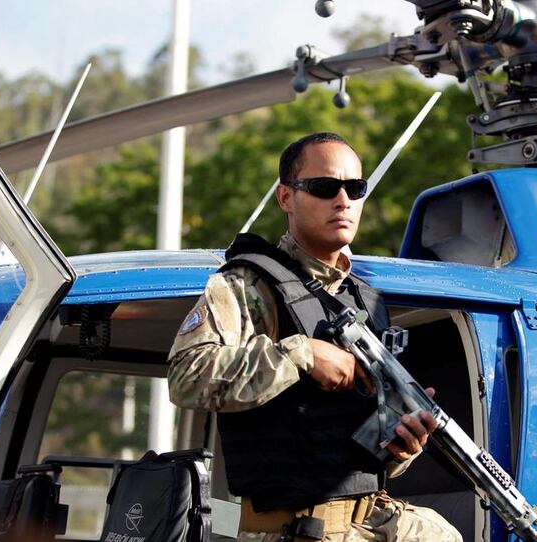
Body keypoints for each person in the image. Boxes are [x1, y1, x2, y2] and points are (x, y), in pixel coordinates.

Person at [168, 132, 462, 542]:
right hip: (295, 530)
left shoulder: (367, 300)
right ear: (286, 198)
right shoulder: (248, 286)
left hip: (372, 521)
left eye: (355, 188)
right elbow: (187, 376)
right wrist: (301, 354)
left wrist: (402, 447)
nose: (342, 200)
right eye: (324, 187)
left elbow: (363, 450)